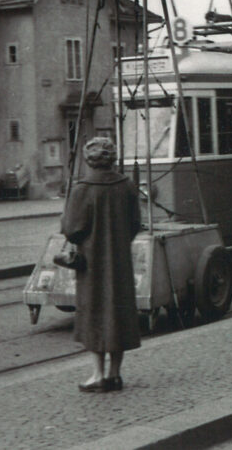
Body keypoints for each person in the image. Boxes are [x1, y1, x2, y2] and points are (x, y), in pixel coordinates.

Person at [61, 136, 142, 392]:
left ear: (89, 160)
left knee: (94, 313)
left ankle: (97, 375)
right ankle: (115, 374)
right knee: (118, 313)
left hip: (92, 263)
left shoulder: (82, 188)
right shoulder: (127, 186)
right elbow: (135, 224)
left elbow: (71, 229)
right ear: (113, 159)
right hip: (119, 262)